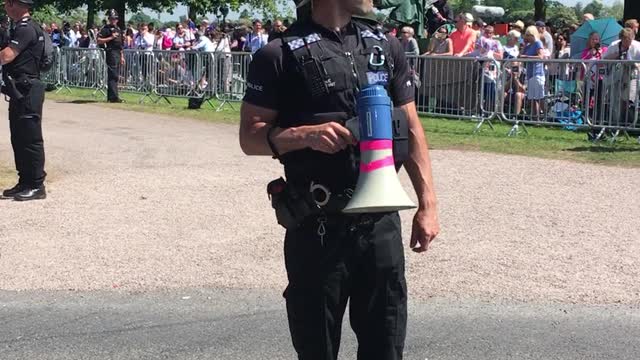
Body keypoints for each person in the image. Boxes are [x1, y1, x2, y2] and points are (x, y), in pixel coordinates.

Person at [239, 0, 440, 358]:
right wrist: (302, 135)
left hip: (380, 223)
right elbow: (250, 137)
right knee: (317, 347)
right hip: (316, 228)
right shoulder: (278, 54)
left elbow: (411, 127)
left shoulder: (384, 46)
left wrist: (428, 204)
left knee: (386, 346)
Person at [0, 0, 47, 200]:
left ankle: (36, 184)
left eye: (8, 3)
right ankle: (24, 181)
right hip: (19, 88)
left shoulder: (26, 29)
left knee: (30, 139)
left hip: (28, 88)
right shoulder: (19, 27)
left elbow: (7, 56)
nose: (5, 6)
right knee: (18, 138)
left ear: (16, 5)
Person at [97, 9, 125, 103]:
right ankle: (113, 97)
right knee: (113, 75)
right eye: (112, 18)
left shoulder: (118, 29)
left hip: (117, 53)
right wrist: (111, 37)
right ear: (109, 19)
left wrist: (122, 56)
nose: (114, 20)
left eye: (115, 19)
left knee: (115, 75)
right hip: (111, 52)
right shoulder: (105, 29)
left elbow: (120, 44)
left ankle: (113, 96)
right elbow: (99, 40)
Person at [519, 26, 546, 121]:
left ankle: (547, 116)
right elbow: (520, 55)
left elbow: (541, 56)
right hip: (530, 74)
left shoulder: (538, 43)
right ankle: (535, 118)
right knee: (532, 98)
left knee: (539, 97)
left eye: (528, 35)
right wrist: (524, 46)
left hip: (537, 73)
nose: (527, 37)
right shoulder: (529, 45)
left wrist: (527, 57)